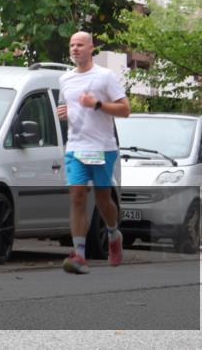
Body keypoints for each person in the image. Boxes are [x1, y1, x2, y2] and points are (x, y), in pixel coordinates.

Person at [56, 31, 131, 274]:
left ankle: (113, 234)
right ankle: (79, 255)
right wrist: (64, 113)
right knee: (77, 196)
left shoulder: (105, 76)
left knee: (102, 199)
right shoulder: (65, 79)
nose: (75, 48)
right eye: (72, 45)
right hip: (75, 147)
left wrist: (97, 104)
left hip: (102, 148)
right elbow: (66, 107)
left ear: (91, 48)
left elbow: (125, 110)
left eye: (80, 44)